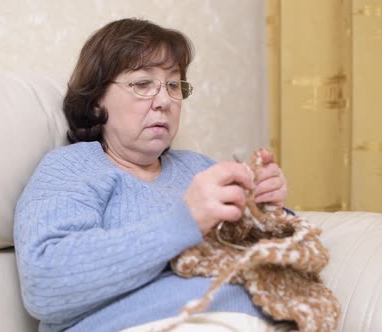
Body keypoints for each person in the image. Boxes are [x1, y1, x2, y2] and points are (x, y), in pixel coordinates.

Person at [14, 18, 288, 332]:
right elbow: (44, 286)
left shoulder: (197, 168)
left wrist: (268, 208)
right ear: (95, 101)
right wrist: (186, 220)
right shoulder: (71, 167)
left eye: (173, 85)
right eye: (143, 84)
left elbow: (273, 261)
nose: (164, 101)